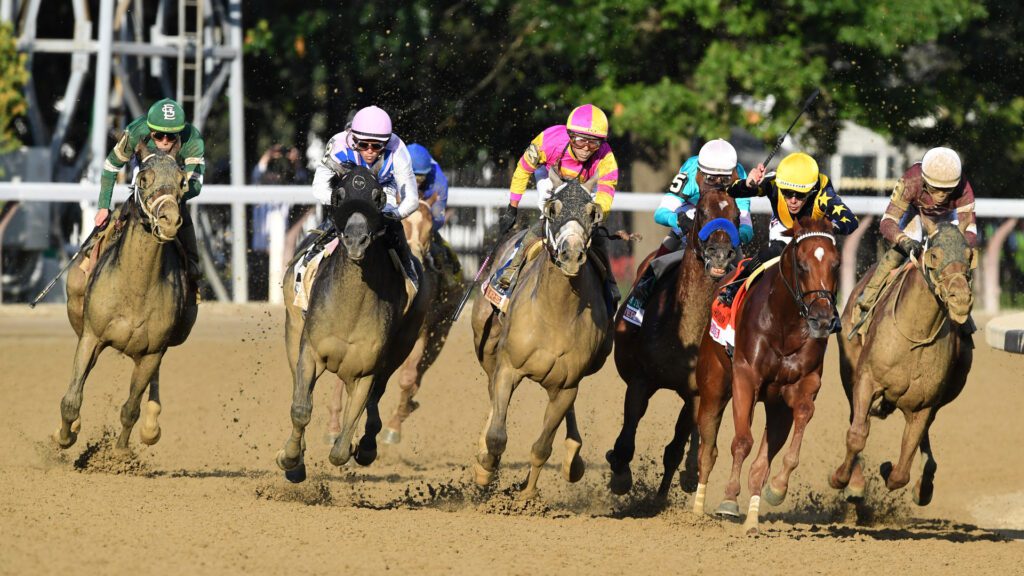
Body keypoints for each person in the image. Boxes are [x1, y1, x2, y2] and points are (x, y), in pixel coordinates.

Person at [718, 152, 859, 329]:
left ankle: (831, 309)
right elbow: (730, 190)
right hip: (784, 229)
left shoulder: (824, 194)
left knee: (822, 263)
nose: (792, 200)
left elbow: (851, 221)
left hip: (813, 236)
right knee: (774, 251)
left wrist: (822, 229)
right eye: (787, 193)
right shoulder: (773, 181)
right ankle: (735, 286)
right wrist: (748, 183)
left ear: (812, 190)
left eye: (800, 195)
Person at [494, 104, 619, 302]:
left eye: (593, 144)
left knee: (593, 228)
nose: (586, 149)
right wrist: (512, 207)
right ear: (570, 136)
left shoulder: (606, 156)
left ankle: (609, 280)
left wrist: (597, 213)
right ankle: (513, 268)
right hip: (552, 176)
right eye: (580, 141)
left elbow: (606, 190)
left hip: (584, 185)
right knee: (549, 215)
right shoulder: (548, 141)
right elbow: (523, 169)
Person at [625, 139, 753, 313]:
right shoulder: (690, 171)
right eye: (711, 178)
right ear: (700, 173)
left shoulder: (740, 174)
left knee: (743, 266)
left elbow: (746, 224)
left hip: (724, 219)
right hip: (693, 212)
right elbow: (661, 213)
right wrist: (679, 221)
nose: (717, 183)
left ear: (733, 174)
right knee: (666, 247)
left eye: (724, 179)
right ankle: (639, 299)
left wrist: (736, 236)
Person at [855, 146, 977, 319]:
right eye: (935, 189)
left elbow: (971, 231)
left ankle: (965, 319)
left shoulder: (964, 187)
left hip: (948, 218)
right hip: (916, 213)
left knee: (958, 255)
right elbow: (887, 222)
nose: (941, 195)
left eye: (947, 190)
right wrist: (903, 240)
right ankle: (868, 298)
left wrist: (957, 247)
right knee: (908, 244)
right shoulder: (911, 181)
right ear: (925, 181)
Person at [95, 98, 205, 287]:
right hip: (145, 178)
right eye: (159, 135)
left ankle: (192, 263)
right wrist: (103, 206)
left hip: (173, 188)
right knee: (113, 218)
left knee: (180, 213)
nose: (164, 142)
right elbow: (111, 167)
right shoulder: (136, 132)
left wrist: (168, 197)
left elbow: (195, 184)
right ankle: (89, 260)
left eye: (171, 137)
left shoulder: (193, 139)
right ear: (149, 129)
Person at [310, 105, 419, 283]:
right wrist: (338, 202)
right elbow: (318, 186)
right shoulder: (338, 144)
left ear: (386, 143)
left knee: (394, 229)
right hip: (347, 194)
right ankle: (308, 261)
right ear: (353, 139)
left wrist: (393, 216)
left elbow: (412, 199)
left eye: (377, 146)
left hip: (383, 191)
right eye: (363, 144)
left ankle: (408, 268)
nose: (369, 150)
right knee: (329, 225)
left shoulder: (398, 149)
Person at [407, 143, 461, 274]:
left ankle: (449, 274)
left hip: (425, 219)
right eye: (413, 176)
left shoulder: (439, 182)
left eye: (421, 177)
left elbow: (437, 219)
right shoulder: (392, 168)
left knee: (435, 246)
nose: (417, 182)